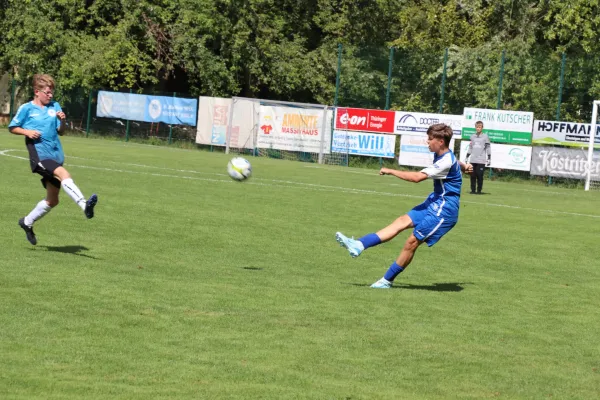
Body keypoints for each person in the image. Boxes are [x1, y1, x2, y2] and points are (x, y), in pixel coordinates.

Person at [335, 123, 472, 289]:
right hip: (435, 201)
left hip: (444, 211)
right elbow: (455, 161)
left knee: (411, 242)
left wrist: (391, 171)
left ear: (441, 141)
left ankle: (387, 281)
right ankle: (359, 245)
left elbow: (417, 177)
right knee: (401, 221)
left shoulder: (445, 162)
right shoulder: (445, 156)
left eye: (430, 139)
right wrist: (465, 165)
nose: (427, 142)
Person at [8, 74, 98, 245]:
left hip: (56, 155)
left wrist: (62, 121)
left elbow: (61, 132)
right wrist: (27, 132)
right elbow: (12, 127)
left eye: (52, 93)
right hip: (40, 156)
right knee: (64, 174)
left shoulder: (54, 106)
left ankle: (26, 222)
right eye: (47, 92)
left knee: (53, 199)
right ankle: (84, 205)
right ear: (37, 92)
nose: (50, 96)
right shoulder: (27, 108)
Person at [465, 120, 491, 194]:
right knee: (472, 175)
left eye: (479, 127)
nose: (478, 128)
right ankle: (473, 190)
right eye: (477, 127)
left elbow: (488, 148)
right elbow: (470, 147)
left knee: (479, 176)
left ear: (482, 128)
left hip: (481, 160)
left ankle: (479, 190)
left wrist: (489, 157)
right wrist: (467, 156)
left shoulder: (485, 136)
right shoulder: (472, 136)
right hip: (473, 159)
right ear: (475, 127)